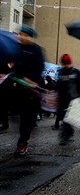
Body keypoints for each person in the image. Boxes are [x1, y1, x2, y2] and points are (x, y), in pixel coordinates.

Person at [12, 26, 46, 157]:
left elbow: (40, 67)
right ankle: (23, 133)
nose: (21, 37)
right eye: (20, 34)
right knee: (16, 116)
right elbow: (15, 66)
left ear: (30, 37)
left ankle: (22, 143)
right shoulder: (17, 49)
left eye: (25, 35)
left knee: (26, 118)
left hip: (30, 89)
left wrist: (29, 78)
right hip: (17, 87)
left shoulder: (36, 50)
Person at [54, 54, 80, 146]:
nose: (66, 66)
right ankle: (68, 132)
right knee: (65, 117)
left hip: (73, 98)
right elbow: (59, 85)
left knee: (67, 118)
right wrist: (55, 94)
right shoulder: (60, 72)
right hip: (62, 98)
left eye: (67, 63)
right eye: (64, 64)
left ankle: (64, 135)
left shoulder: (76, 72)